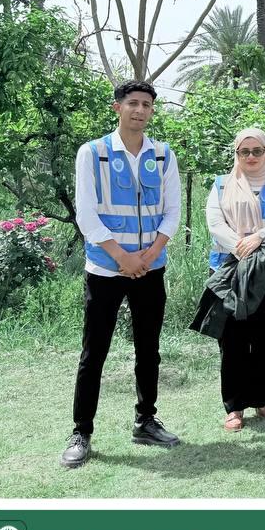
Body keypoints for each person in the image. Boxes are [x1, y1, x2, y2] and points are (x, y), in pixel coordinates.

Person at [62, 80, 182, 468]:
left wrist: (149, 254)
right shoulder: (93, 153)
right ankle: (82, 431)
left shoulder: (163, 155)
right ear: (117, 107)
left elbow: (173, 211)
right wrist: (121, 257)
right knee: (94, 352)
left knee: (148, 349)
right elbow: (87, 213)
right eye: (133, 103)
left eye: (147, 104)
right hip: (105, 268)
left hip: (150, 266)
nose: (140, 110)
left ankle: (146, 420)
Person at [194, 128, 265, 432]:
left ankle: (264, 401)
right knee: (233, 338)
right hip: (230, 270)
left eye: (257, 151)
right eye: (244, 151)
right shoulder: (222, 185)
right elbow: (214, 223)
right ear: (236, 154)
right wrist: (240, 246)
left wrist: (259, 237)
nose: (251, 157)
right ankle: (235, 406)